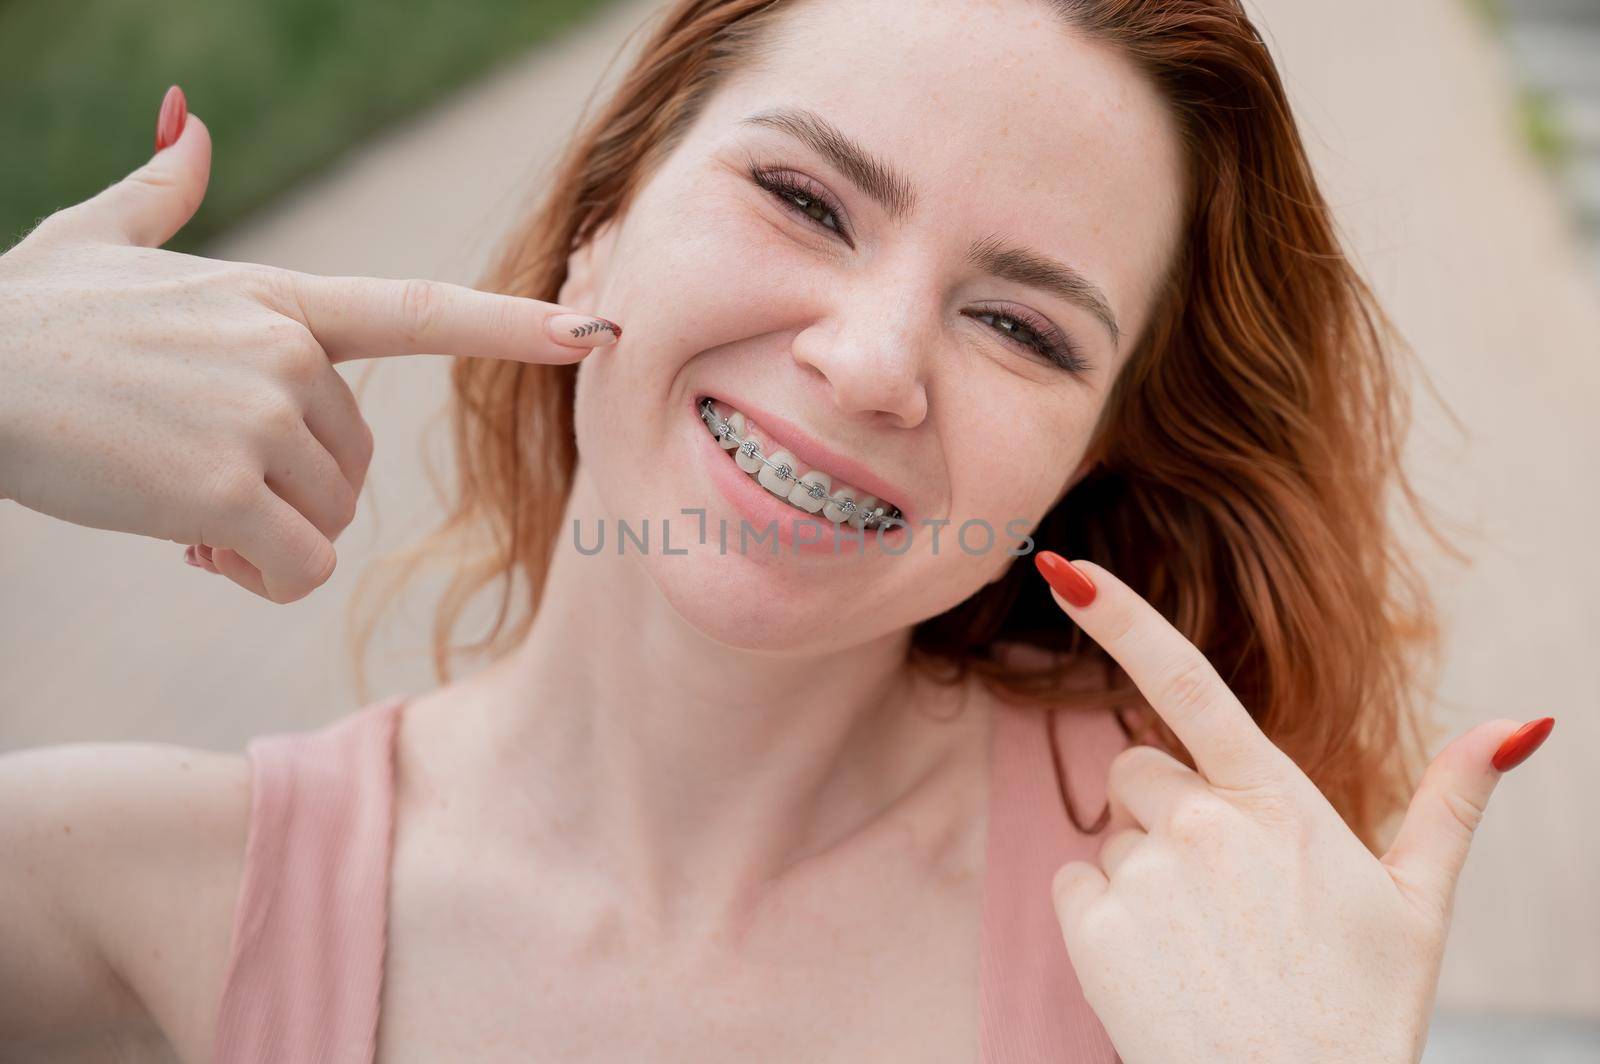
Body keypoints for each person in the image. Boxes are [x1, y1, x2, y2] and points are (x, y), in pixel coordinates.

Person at [0, 0, 1558, 1061]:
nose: (871, 362)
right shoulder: (112, 876)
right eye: (808, 202)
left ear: (1090, 461)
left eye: (1022, 326)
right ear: (605, 220)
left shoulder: (1198, 923)